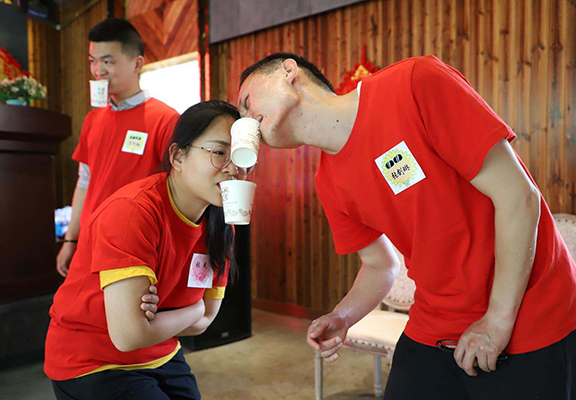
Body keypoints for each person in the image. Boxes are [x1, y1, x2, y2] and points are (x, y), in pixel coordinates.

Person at [237, 53, 576, 399]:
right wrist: (343, 317)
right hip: (434, 319)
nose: (246, 120)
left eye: (247, 102)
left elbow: (519, 197)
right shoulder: (328, 182)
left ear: (289, 71)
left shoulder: (414, 83)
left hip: (526, 312)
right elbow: (379, 264)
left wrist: (498, 320)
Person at [45, 101, 253, 399]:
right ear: (178, 156)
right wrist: (193, 309)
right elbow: (129, 336)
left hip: (161, 350)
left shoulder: (222, 227)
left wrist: (162, 320)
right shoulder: (132, 213)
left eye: (242, 157)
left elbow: (206, 321)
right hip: (91, 359)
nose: (234, 169)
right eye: (219, 152)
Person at [56, 18, 180, 278]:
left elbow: (177, 191)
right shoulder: (93, 119)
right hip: (89, 241)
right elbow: (84, 181)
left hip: (134, 245)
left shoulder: (166, 119)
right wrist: (71, 240)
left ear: (137, 64)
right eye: (93, 61)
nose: (98, 70)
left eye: (108, 61)